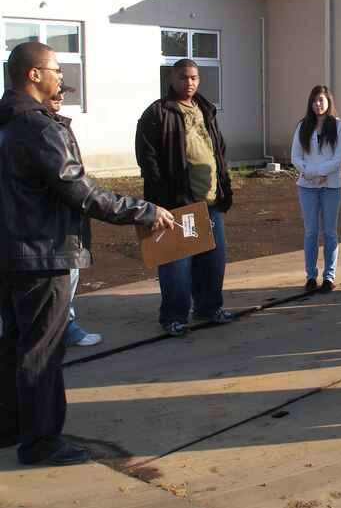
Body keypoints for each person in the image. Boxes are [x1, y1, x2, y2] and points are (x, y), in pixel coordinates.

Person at [0, 41, 173, 466]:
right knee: (42, 350)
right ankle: (40, 443)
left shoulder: (7, 122)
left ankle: (10, 427)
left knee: (13, 345)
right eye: (56, 69)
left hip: (10, 253)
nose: (62, 77)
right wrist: (145, 210)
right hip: (44, 256)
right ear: (34, 75)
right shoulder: (41, 129)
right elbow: (84, 194)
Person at [136, 58, 234, 337]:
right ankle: (174, 317)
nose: (188, 83)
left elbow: (218, 152)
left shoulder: (205, 109)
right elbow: (148, 159)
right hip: (177, 205)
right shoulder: (157, 113)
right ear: (171, 78)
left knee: (213, 262)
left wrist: (224, 187)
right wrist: (163, 197)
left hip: (210, 202)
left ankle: (208, 307)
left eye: (193, 78)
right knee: (177, 265)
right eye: (183, 77)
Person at [42, 84, 103, 347]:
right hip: (43, 232)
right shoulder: (41, 130)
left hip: (65, 223)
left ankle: (66, 326)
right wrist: (144, 212)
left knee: (69, 278)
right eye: (55, 88)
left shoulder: (58, 125)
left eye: (63, 91)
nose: (61, 95)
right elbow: (79, 190)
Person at [291, 85, 341, 294]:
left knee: (330, 232)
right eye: (314, 100)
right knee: (311, 232)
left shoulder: (339, 128)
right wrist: (310, 173)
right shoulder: (302, 126)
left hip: (331, 187)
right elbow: (295, 157)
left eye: (322, 100)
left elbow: (337, 159)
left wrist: (317, 171)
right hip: (307, 187)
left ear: (329, 102)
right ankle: (311, 276)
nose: (318, 104)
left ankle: (329, 276)